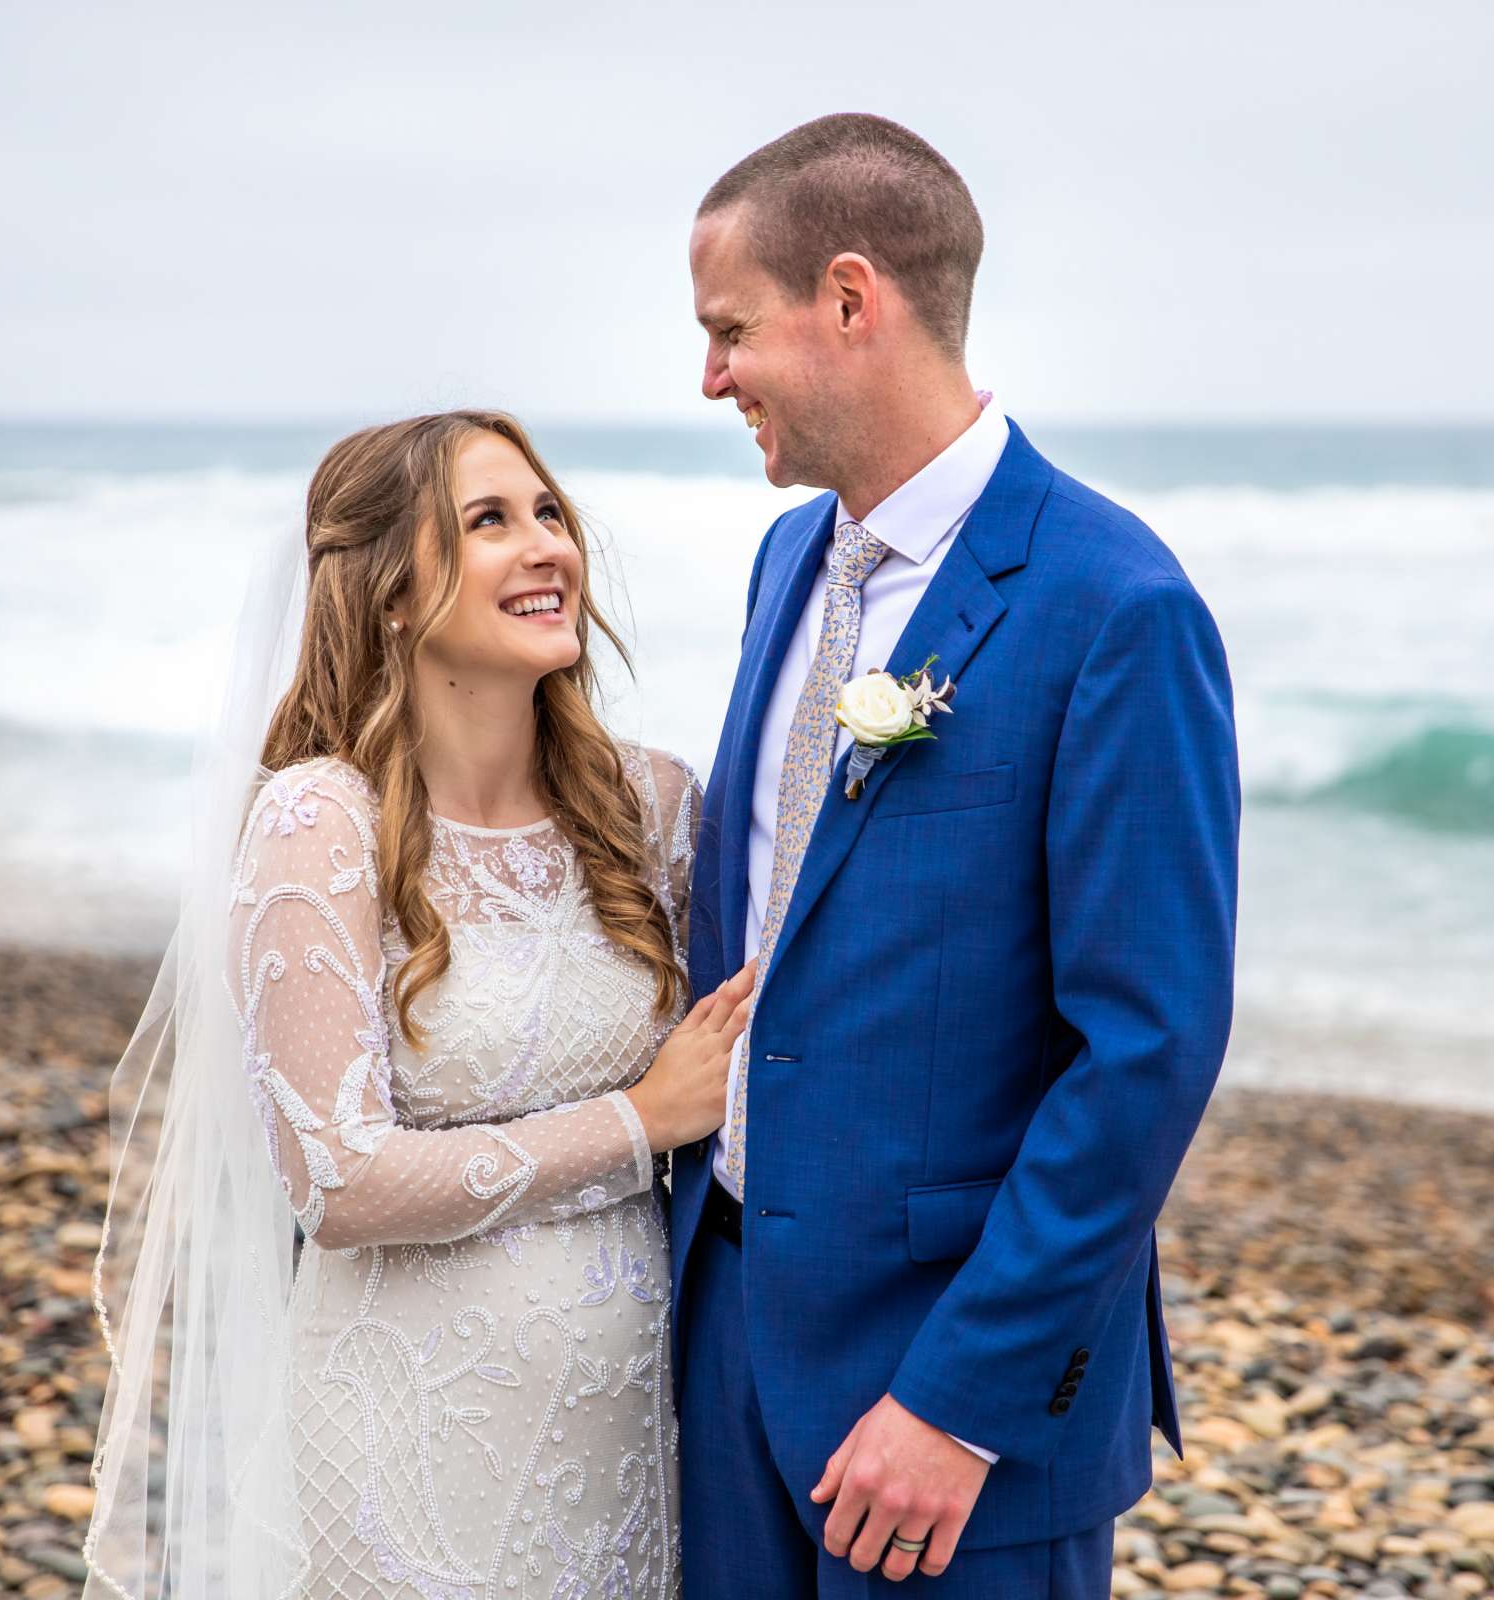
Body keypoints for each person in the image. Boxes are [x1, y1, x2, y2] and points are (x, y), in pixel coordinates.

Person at [673, 113, 1241, 1597]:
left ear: (852, 300)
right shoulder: (791, 559)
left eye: (731, 329)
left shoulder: (1116, 605)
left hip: (943, 1405)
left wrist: (959, 1403)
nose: (711, 376)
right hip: (727, 1336)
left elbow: (1147, 1050)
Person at [84, 410, 753, 1599]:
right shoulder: (318, 821)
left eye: (549, 513)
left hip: (628, 1412)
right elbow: (336, 1182)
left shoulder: (648, 807)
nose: (544, 545)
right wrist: (637, 1121)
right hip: (407, 1427)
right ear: (391, 592)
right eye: (488, 521)